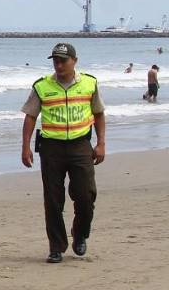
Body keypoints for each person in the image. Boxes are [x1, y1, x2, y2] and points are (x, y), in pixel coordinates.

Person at [20, 43, 106, 263]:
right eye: (55, 61)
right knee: (53, 200)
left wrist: (101, 143)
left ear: (74, 61)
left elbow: (98, 113)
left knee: (86, 195)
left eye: (63, 60)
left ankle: (80, 234)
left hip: (80, 146)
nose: (58, 65)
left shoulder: (89, 83)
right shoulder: (42, 86)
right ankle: (56, 247)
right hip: (51, 148)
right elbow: (30, 116)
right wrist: (26, 146)